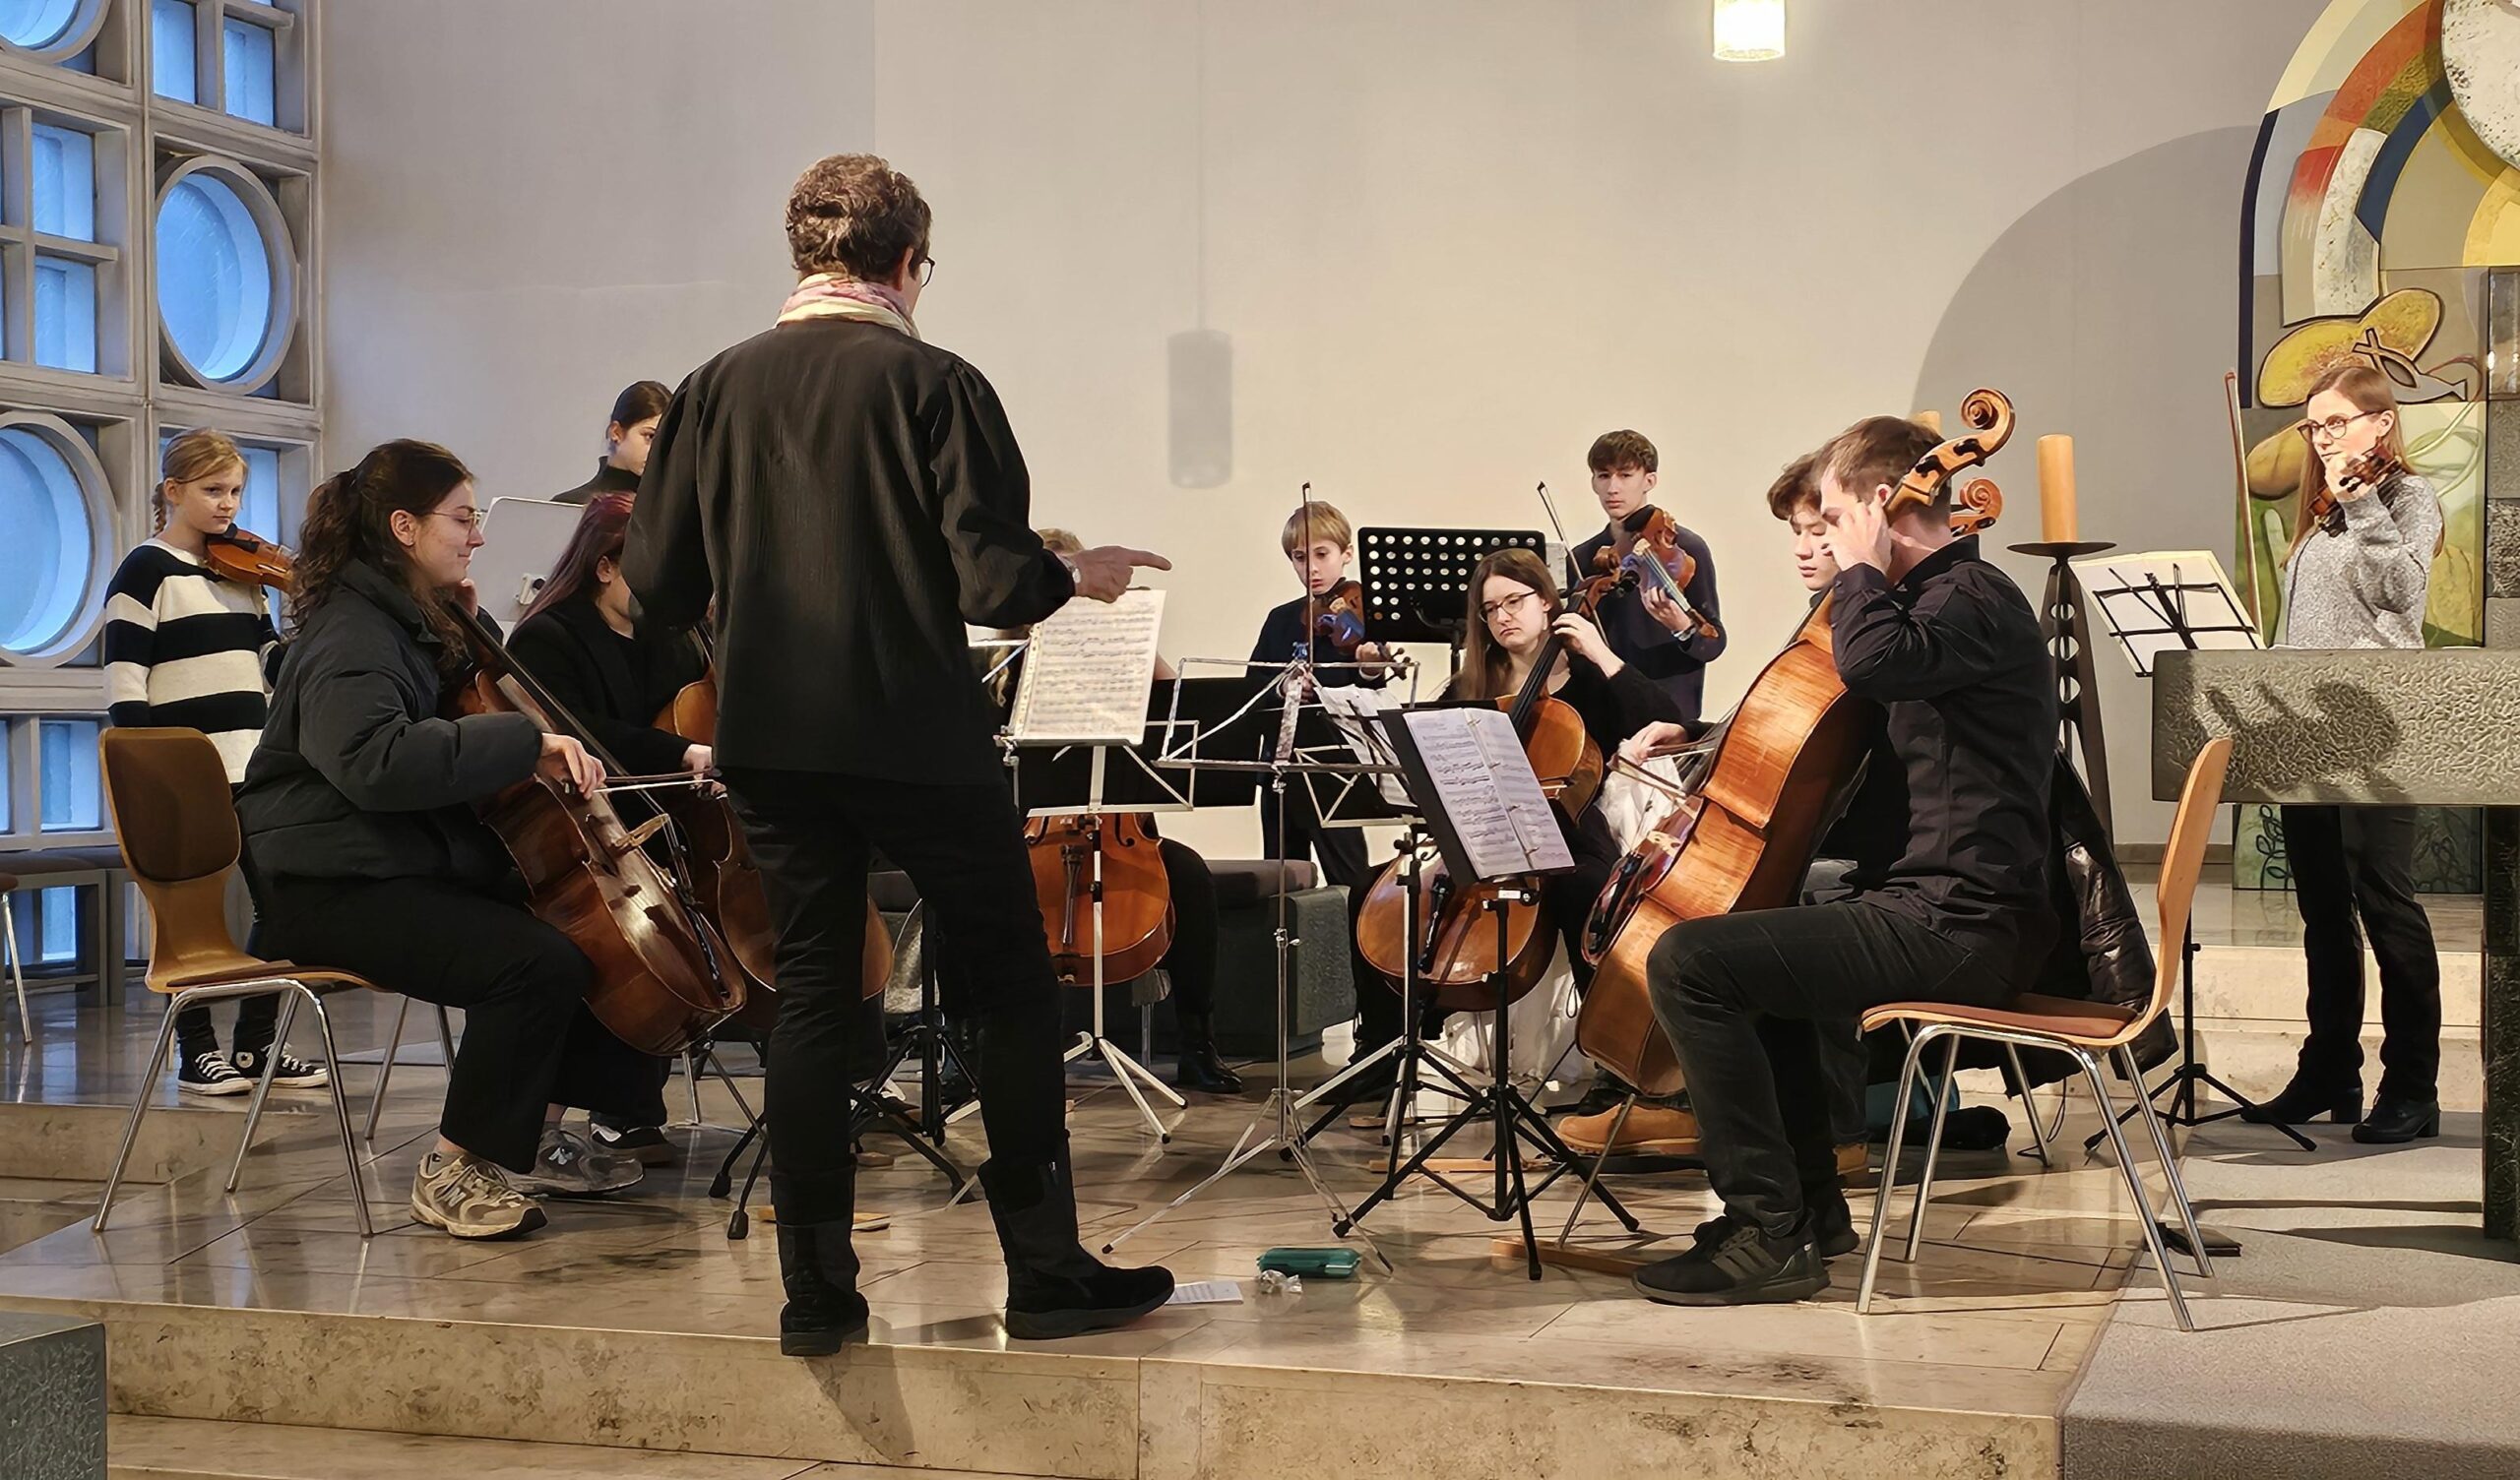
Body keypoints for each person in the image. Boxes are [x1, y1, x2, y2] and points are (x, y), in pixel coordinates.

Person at [625, 152, 1176, 1355]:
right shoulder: (936, 381)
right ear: (909, 262)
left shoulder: (711, 388)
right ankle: (1046, 1272)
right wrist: (1071, 573)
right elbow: (994, 584)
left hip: (769, 741)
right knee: (1006, 984)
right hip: (916, 732)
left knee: (815, 991)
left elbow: (655, 580)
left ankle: (815, 1292)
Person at [1630, 414, 2053, 1306]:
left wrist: (1861, 566)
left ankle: (1764, 1229)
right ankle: (1810, 1214)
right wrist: (1711, 735)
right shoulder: (1938, 603)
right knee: (1754, 959)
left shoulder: (1968, 596)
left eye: (1831, 517)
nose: (1820, 538)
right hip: (1940, 908)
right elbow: (1832, 722)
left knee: (1689, 962)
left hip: (1961, 925)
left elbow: (1870, 665)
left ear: (1877, 504)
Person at [237, 441, 657, 1241]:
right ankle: (452, 1167)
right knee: (532, 962)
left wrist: (468, 625)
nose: (478, 535)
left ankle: (533, 1136)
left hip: (389, 863)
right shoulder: (351, 636)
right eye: (462, 519)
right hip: (330, 887)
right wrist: (524, 745)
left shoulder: (401, 618)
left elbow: (465, 700)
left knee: (586, 936)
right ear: (405, 527)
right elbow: (374, 762)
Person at [2243, 362, 2444, 1145]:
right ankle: (2330, 1068)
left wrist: (2362, 504)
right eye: (2313, 425)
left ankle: (2413, 1084)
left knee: (2385, 905)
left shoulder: (2406, 498)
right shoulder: (2323, 514)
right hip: (2309, 734)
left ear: (2380, 423)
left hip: (2377, 734)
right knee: (2324, 911)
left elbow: (2401, 595)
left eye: (2335, 422)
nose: (2322, 437)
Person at [104, 430, 327, 1097]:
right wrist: (151, 770)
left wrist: (315, 632)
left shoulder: (242, 572)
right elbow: (124, 681)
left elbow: (269, 665)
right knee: (189, 918)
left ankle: (257, 1045)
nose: (228, 504)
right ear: (173, 491)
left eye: (235, 491)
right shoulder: (146, 570)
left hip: (252, 768)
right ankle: (195, 1051)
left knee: (287, 904)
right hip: (184, 775)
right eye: (213, 490)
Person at [993, 529, 1242, 1095]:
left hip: (1119, 831)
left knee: (1189, 875)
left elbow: (1183, 713)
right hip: (1032, 831)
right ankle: (968, 1046)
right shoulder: (1006, 668)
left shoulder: (1116, 659)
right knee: (974, 888)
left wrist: (1137, 645)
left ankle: (1199, 1043)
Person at [506, 493, 715, 1163]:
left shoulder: (670, 635)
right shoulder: (547, 637)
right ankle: (601, 1111)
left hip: (658, 822)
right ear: (605, 567)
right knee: (612, 945)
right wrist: (682, 752)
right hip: (581, 831)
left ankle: (628, 1105)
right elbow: (581, 732)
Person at [1247, 500, 1405, 1075]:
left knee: (1352, 887)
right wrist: (1282, 686)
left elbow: (1378, 686)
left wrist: (1368, 665)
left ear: (1345, 554)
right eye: (1298, 557)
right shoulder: (1281, 620)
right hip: (1282, 768)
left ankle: (1371, 1019)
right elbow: (1252, 688)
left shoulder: (1365, 614)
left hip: (1338, 771)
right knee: (1282, 885)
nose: (1311, 568)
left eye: (1320, 554)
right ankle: (1286, 1016)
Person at [1567, 430, 1727, 722]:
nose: (1613, 488)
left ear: (1649, 480)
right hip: (1603, 714)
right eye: (1604, 476)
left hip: (1669, 716)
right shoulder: (1583, 557)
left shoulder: (1685, 549)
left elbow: (1714, 643)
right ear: (1593, 483)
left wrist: (1683, 627)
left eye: (1625, 475)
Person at [555, 381, 669, 505]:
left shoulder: (672, 508)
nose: (659, 449)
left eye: (667, 439)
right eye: (650, 436)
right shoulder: (570, 505)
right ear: (616, 432)